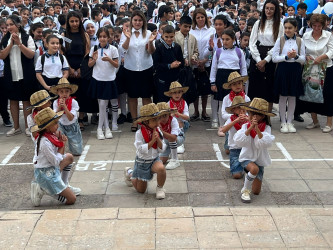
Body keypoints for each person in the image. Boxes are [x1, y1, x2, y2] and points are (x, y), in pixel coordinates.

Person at [30, 107, 80, 206]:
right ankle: (44, 189)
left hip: (50, 169)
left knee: (69, 157)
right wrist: (62, 145)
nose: (58, 125)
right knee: (71, 199)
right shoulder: (45, 142)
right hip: (46, 174)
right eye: (55, 123)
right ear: (47, 127)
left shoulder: (50, 135)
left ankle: (64, 185)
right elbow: (56, 162)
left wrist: (61, 143)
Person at [0, 15, 38, 137]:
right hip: (11, 74)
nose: (9, 27)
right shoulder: (5, 39)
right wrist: (11, 44)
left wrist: (20, 44)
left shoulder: (27, 37)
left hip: (26, 74)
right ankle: (16, 127)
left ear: (18, 25)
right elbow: (2, 55)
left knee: (26, 100)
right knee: (13, 100)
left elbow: (31, 55)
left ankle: (28, 126)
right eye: (7, 25)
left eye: (11, 24)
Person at [119, 10, 156, 132]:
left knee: (146, 96)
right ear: (131, 21)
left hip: (146, 67)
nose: (137, 22)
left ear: (143, 22)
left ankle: (147, 120)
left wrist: (150, 42)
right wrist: (128, 38)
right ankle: (135, 121)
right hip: (131, 68)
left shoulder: (148, 33)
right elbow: (122, 50)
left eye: (140, 20)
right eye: (135, 20)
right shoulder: (126, 33)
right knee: (132, 96)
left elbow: (151, 51)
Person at [234, 98, 275, 203]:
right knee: (254, 169)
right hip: (247, 157)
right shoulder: (245, 126)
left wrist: (257, 129)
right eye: (253, 114)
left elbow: (263, 143)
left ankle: (248, 178)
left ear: (263, 116)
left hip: (259, 159)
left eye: (258, 114)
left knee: (256, 191)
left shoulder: (266, 128)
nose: (255, 117)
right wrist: (250, 127)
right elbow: (239, 141)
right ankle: (245, 190)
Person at [123, 103, 167, 200]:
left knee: (161, 169)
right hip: (142, 163)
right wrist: (152, 141)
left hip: (154, 160)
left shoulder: (158, 131)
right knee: (141, 190)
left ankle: (160, 188)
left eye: (157, 119)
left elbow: (162, 148)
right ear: (146, 121)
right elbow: (140, 149)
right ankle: (130, 173)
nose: (157, 122)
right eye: (154, 120)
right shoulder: (139, 133)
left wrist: (158, 140)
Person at [210, 30, 247, 137]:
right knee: (222, 102)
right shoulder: (218, 52)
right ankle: (222, 126)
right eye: (223, 39)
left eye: (228, 39)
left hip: (235, 79)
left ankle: (236, 124)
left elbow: (243, 68)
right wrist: (212, 82)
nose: (225, 42)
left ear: (233, 40)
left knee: (235, 103)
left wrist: (243, 83)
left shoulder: (239, 52)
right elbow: (214, 68)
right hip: (221, 78)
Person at [248, 0, 284, 112]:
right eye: (267, 8)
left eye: (271, 8)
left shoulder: (280, 24)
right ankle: (253, 115)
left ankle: (267, 117)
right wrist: (259, 60)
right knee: (255, 87)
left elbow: (279, 44)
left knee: (269, 88)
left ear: (276, 10)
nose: (268, 11)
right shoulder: (258, 23)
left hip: (271, 57)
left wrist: (266, 60)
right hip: (257, 56)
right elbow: (252, 43)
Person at [272, 18, 305, 133]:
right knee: (283, 96)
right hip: (283, 69)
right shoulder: (280, 40)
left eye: (290, 28)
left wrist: (295, 56)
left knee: (292, 96)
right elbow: (274, 58)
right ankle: (283, 122)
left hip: (295, 70)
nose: (287, 30)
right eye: (285, 28)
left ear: (295, 28)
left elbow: (303, 60)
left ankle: (290, 121)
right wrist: (286, 57)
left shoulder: (300, 41)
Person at [301, 14, 333, 133]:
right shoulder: (306, 35)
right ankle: (315, 121)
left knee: (328, 95)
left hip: (325, 68)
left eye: (319, 26)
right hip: (310, 68)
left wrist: (322, 57)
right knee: (310, 93)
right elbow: (302, 50)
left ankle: (329, 122)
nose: (316, 28)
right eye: (314, 25)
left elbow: (332, 50)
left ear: (323, 26)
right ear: (310, 24)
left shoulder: (328, 35)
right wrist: (306, 56)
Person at [88, 27, 119, 140]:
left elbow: (116, 64)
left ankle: (102, 128)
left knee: (103, 105)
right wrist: (94, 59)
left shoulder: (113, 49)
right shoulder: (94, 48)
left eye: (104, 36)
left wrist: (109, 60)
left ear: (108, 37)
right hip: (97, 78)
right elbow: (89, 65)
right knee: (102, 105)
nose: (102, 38)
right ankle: (104, 128)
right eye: (100, 36)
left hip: (109, 79)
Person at [63, 11, 91, 131]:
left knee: (82, 94)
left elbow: (87, 51)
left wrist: (81, 67)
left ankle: (81, 119)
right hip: (68, 66)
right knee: (70, 94)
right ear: (68, 22)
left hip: (82, 66)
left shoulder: (84, 35)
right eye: (72, 21)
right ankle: (70, 119)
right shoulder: (65, 36)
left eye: (76, 21)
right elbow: (63, 52)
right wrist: (69, 68)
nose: (74, 23)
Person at [189, 8, 215, 122]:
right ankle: (195, 111)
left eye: (202, 17)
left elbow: (213, 49)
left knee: (205, 89)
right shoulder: (191, 30)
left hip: (206, 63)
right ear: (194, 18)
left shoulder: (211, 31)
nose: (200, 19)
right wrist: (194, 60)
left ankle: (204, 111)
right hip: (193, 62)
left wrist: (205, 60)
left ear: (206, 18)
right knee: (195, 89)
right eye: (198, 17)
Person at [50, 78, 83, 156]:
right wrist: (58, 108)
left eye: (67, 91)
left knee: (77, 152)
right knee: (57, 135)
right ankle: (59, 149)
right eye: (61, 92)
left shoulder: (74, 102)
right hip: (61, 125)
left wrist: (64, 107)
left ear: (70, 92)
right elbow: (54, 117)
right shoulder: (55, 102)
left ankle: (74, 146)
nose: (64, 94)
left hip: (72, 126)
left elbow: (70, 118)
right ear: (57, 92)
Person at [221, 71, 251, 154]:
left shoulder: (247, 98)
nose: (237, 86)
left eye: (239, 83)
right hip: (231, 124)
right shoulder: (226, 98)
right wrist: (235, 117)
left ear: (242, 84)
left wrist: (244, 116)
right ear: (230, 86)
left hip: (244, 123)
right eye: (234, 84)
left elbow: (250, 113)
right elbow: (223, 114)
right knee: (228, 150)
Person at [153, 25, 184, 103]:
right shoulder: (159, 47)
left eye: (171, 37)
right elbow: (156, 65)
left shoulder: (177, 47)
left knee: (175, 101)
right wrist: (169, 66)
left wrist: (179, 63)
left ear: (174, 35)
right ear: (162, 35)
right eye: (166, 37)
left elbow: (181, 62)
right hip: (162, 80)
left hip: (175, 79)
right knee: (163, 101)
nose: (169, 39)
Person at [221, 96, 248, 179]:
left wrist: (248, 120)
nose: (241, 111)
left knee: (253, 170)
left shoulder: (248, 118)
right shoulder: (231, 119)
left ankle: (245, 167)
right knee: (236, 175)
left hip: (246, 149)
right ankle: (240, 169)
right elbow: (224, 130)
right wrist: (236, 121)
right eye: (238, 108)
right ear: (233, 110)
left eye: (243, 108)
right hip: (235, 149)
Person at [157, 102, 184, 170]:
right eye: (160, 116)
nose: (162, 119)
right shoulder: (156, 122)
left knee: (171, 138)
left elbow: (174, 137)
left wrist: (162, 132)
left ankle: (175, 160)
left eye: (165, 116)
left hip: (178, 138)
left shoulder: (173, 120)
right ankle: (171, 151)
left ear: (169, 114)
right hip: (166, 141)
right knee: (161, 160)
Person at [165, 81, 190, 154]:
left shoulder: (184, 103)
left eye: (179, 92)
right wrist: (171, 116)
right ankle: (170, 141)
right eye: (174, 93)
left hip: (183, 124)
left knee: (179, 123)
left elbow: (187, 117)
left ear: (182, 93)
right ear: (170, 94)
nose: (177, 94)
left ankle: (180, 142)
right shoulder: (168, 104)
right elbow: (164, 118)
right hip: (170, 124)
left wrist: (178, 114)